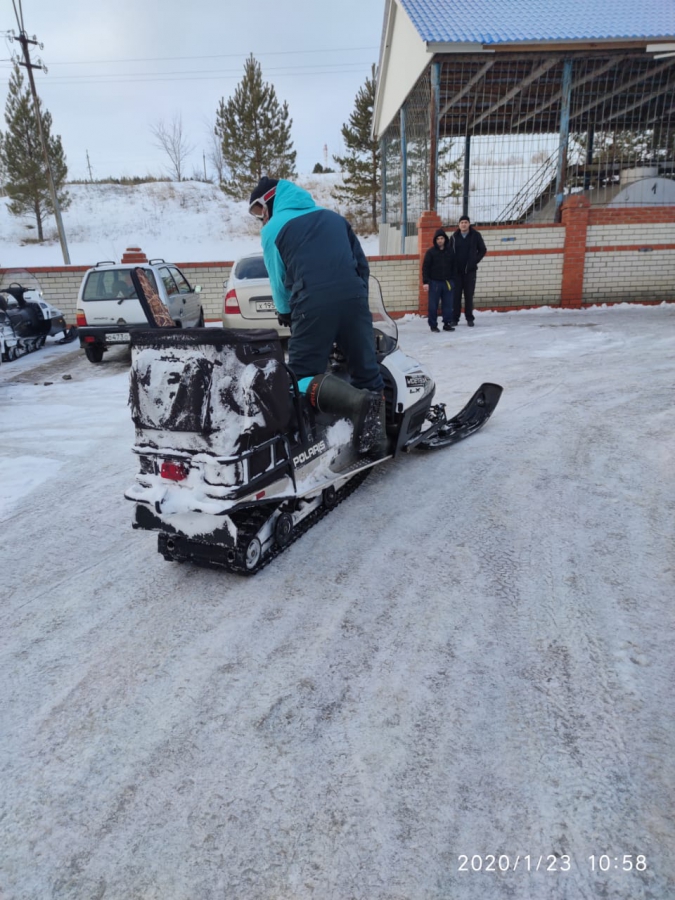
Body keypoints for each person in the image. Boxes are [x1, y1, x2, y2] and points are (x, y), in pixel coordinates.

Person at [248, 176, 386, 455]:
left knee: (301, 376)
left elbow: (278, 278)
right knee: (366, 369)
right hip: (354, 299)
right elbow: (361, 264)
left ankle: (306, 447)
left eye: (259, 210)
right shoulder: (334, 219)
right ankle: (375, 439)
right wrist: (356, 294)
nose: (260, 218)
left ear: (270, 201)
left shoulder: (273, 228)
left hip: (312, 304)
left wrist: (285, 311)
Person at [451, 215, 486, 327]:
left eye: (466, 222)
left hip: (470, 272)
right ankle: (455, 318)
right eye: (462, 222)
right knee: (456, 296)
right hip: (457, 272)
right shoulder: (454, 237)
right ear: (459, 224)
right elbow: (449, 252)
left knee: (468, 296)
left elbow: (482, 250)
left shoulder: (475, 235)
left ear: (469, 224)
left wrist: (474, 261)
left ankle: (469, 318)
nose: (464, 224)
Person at [422, 228, 456, 333]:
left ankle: (447, 323)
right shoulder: (431, 252)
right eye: (438, 239)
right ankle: (433, 325)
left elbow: (454, 266)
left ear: (445, 239)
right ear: (435, 240)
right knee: (433, 306)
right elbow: (425, 268)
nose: (440, 241)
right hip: (434, 283)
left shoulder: (450, 251)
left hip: (447, 282)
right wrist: (426, 282)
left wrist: (453, 280)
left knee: (448, 305)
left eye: (442, 238)